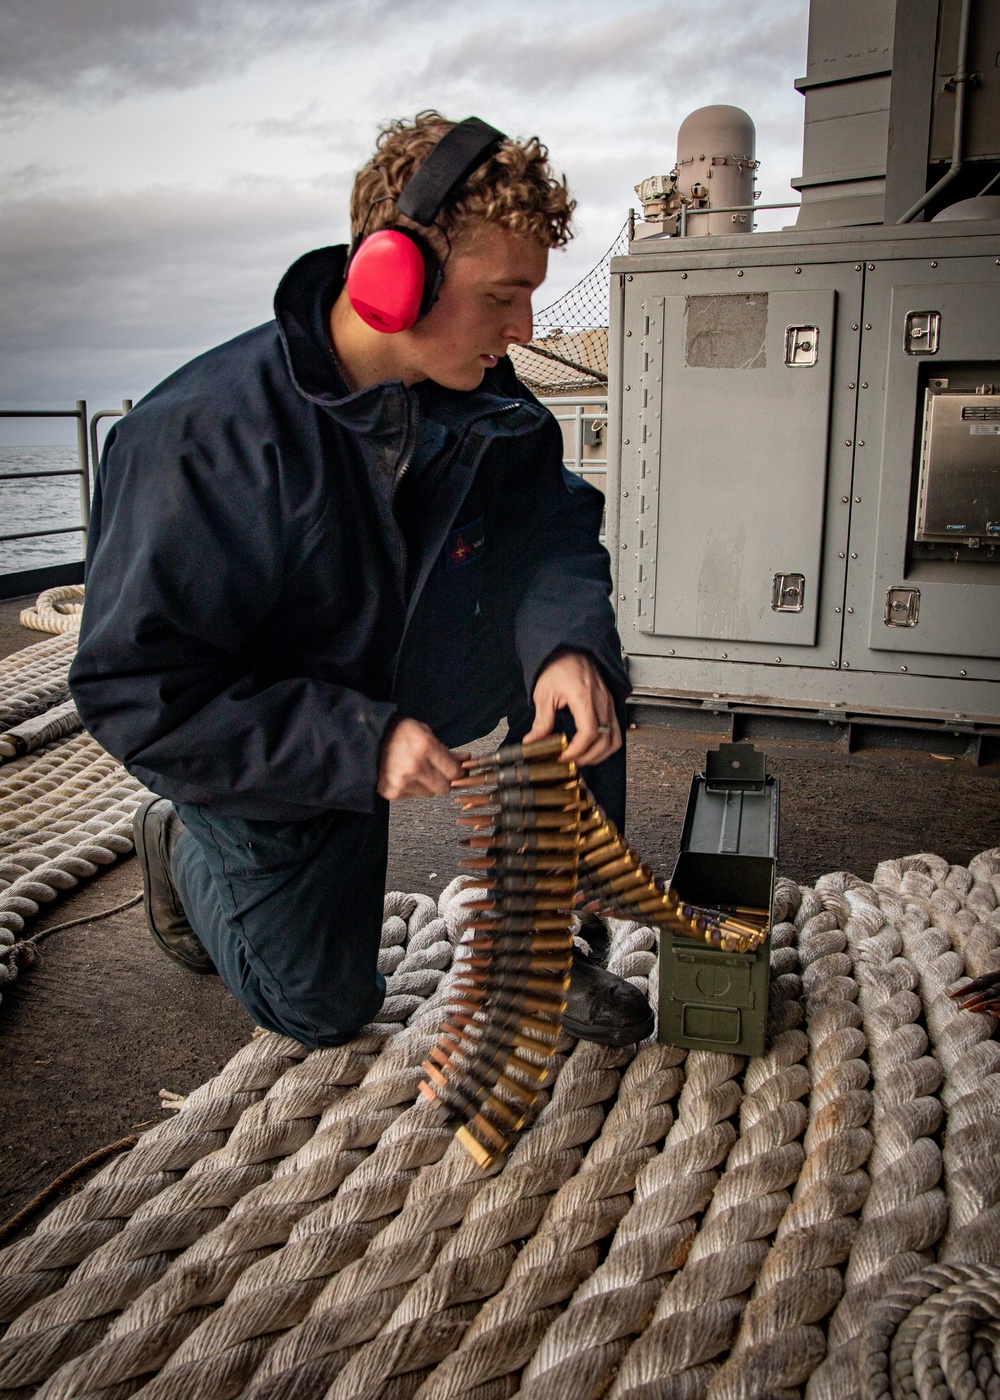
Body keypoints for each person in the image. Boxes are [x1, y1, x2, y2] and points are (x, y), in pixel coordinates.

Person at [70, 111, 653, 1050]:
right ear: (396, 277)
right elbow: (136, 695)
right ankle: (183, 850)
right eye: (505, 296)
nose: (527, 329)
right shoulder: (194, 443)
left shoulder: (485, 390)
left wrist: (564, 645)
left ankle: (543, 941)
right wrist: (360, 746)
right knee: (324, 1007)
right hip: (285, 729)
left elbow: (551, 525)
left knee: (582, 687)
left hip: (406, 669)